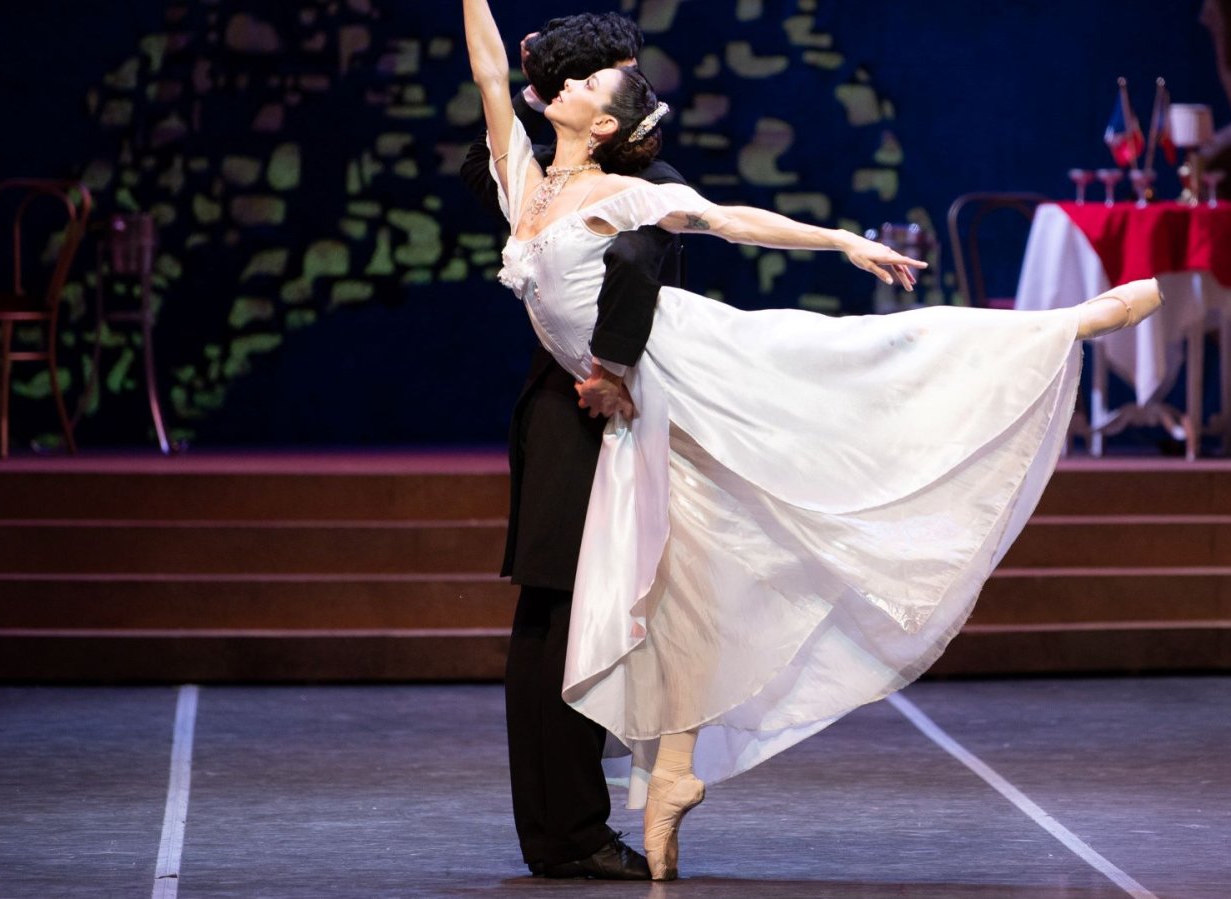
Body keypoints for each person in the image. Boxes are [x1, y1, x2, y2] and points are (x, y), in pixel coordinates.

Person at [461, 0, 1162, 881]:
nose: (562, 83)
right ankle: (671, 769)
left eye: (588, 81)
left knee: (843, 366)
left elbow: (731, 219)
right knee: (695, 554)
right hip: (637, 397)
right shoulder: (523, 181)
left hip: (685, 359)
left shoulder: (624, 192)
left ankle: (1061, 327)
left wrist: (840, 240)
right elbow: (491, 72)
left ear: (601, 123)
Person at [459, 11, 684, 883]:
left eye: (609, 76)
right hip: (577, 414)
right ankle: (568, 831)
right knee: (560, 618)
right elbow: (492, 134)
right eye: (595, 74)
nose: (613, 83)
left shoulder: (643, 177)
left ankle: (570, 825)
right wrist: (611, 370)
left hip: (598, 408)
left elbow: (642, 258)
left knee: (578, 616)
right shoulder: (562, 177)